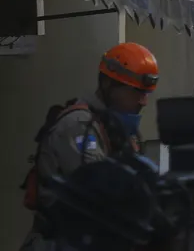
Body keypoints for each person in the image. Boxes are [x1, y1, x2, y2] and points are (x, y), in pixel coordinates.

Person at [20, 43, 159, 249]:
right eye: (137, 92)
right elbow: (99, 197)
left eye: (146, 94)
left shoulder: (113, 129)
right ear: (108, 85)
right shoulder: (79, 125)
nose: (143, 102)